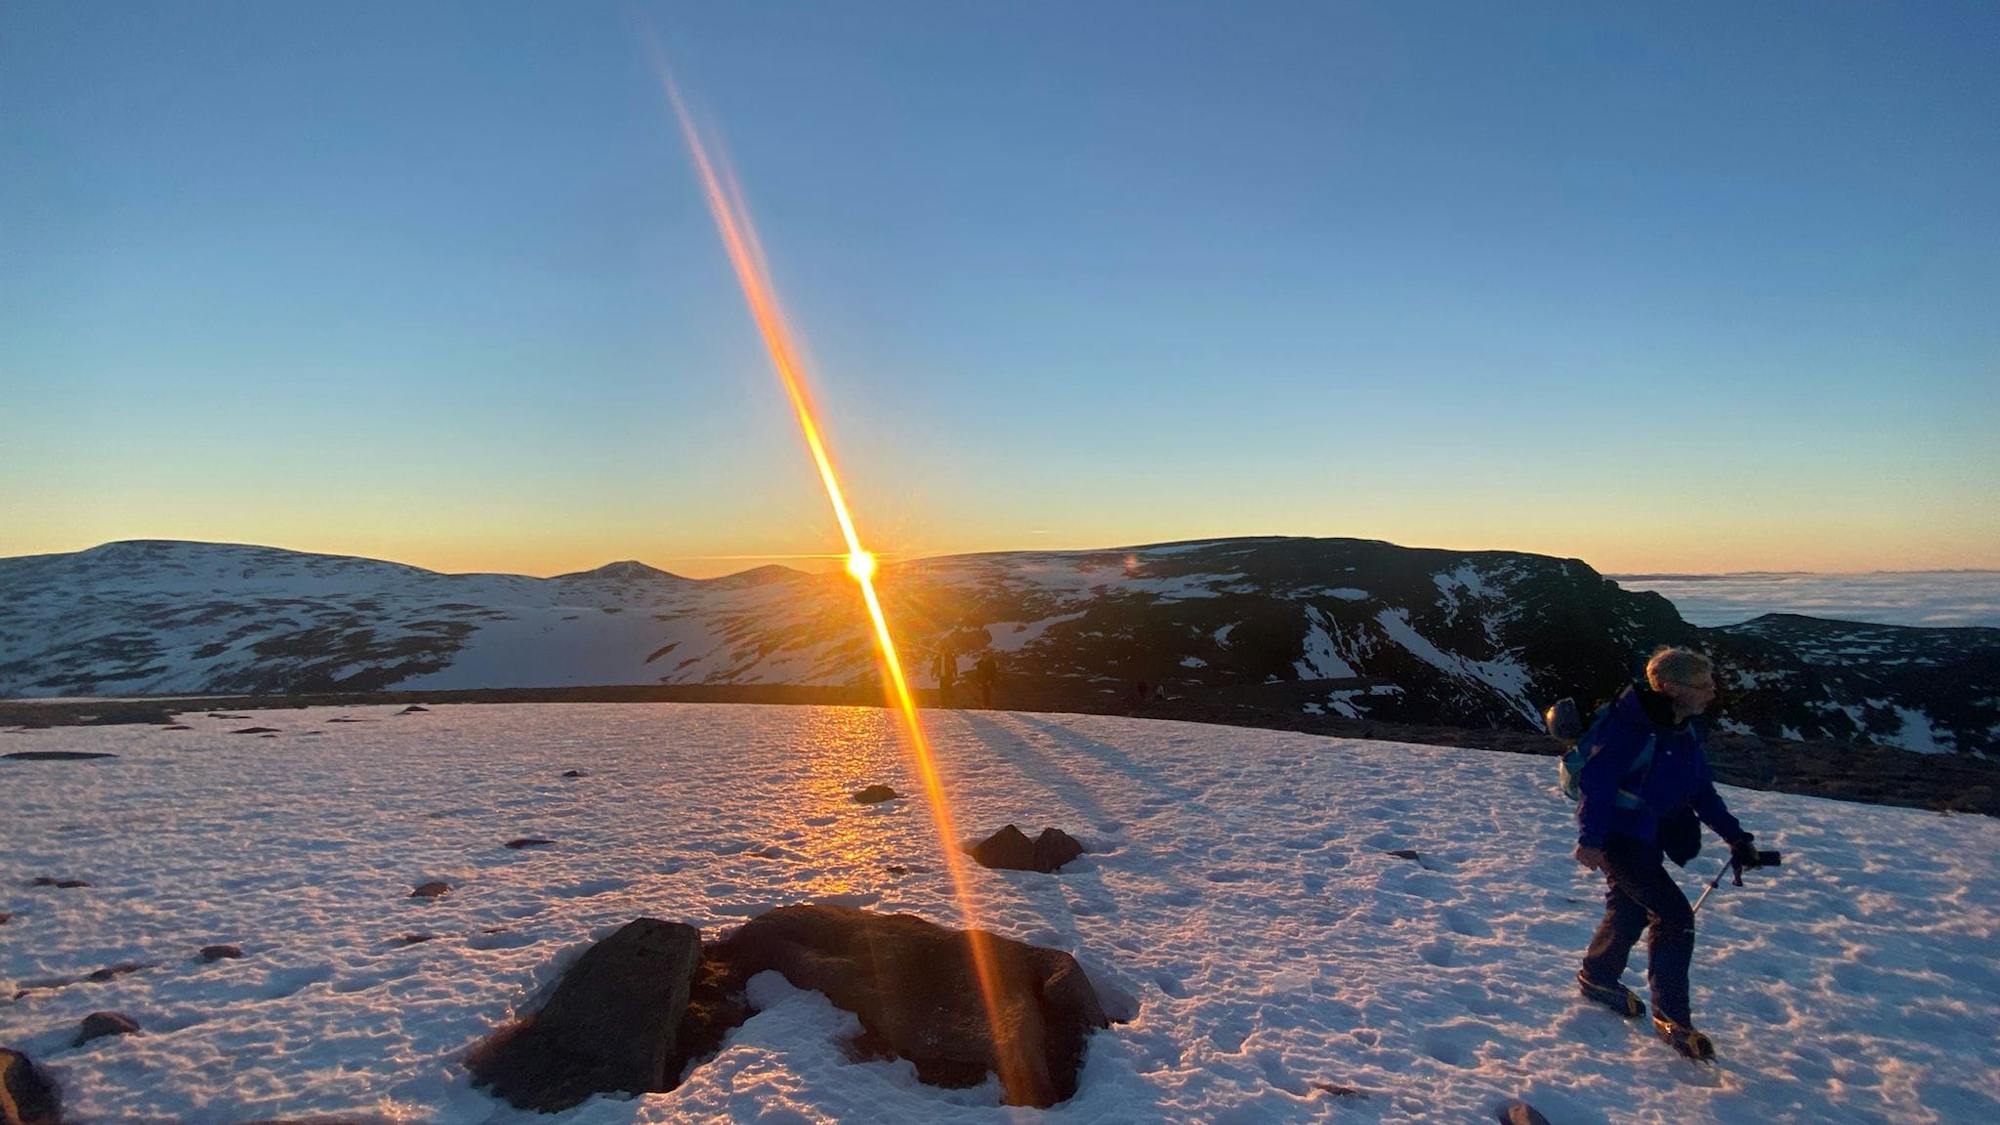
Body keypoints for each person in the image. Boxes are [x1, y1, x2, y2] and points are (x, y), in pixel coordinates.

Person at [1572, 646, 1764, 1060]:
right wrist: (1590, 840)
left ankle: (1598, 975)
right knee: (1674, 916)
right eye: (1703, 686)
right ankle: (1673, 1017)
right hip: (1620, 840)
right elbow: (1597, 783)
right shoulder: (1630, 728)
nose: (1711, 693)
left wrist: (1736, 836)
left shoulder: (1681, 729)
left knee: (1630, 907)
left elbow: (1700, 791)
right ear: (1674, 688)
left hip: (1648, 836)